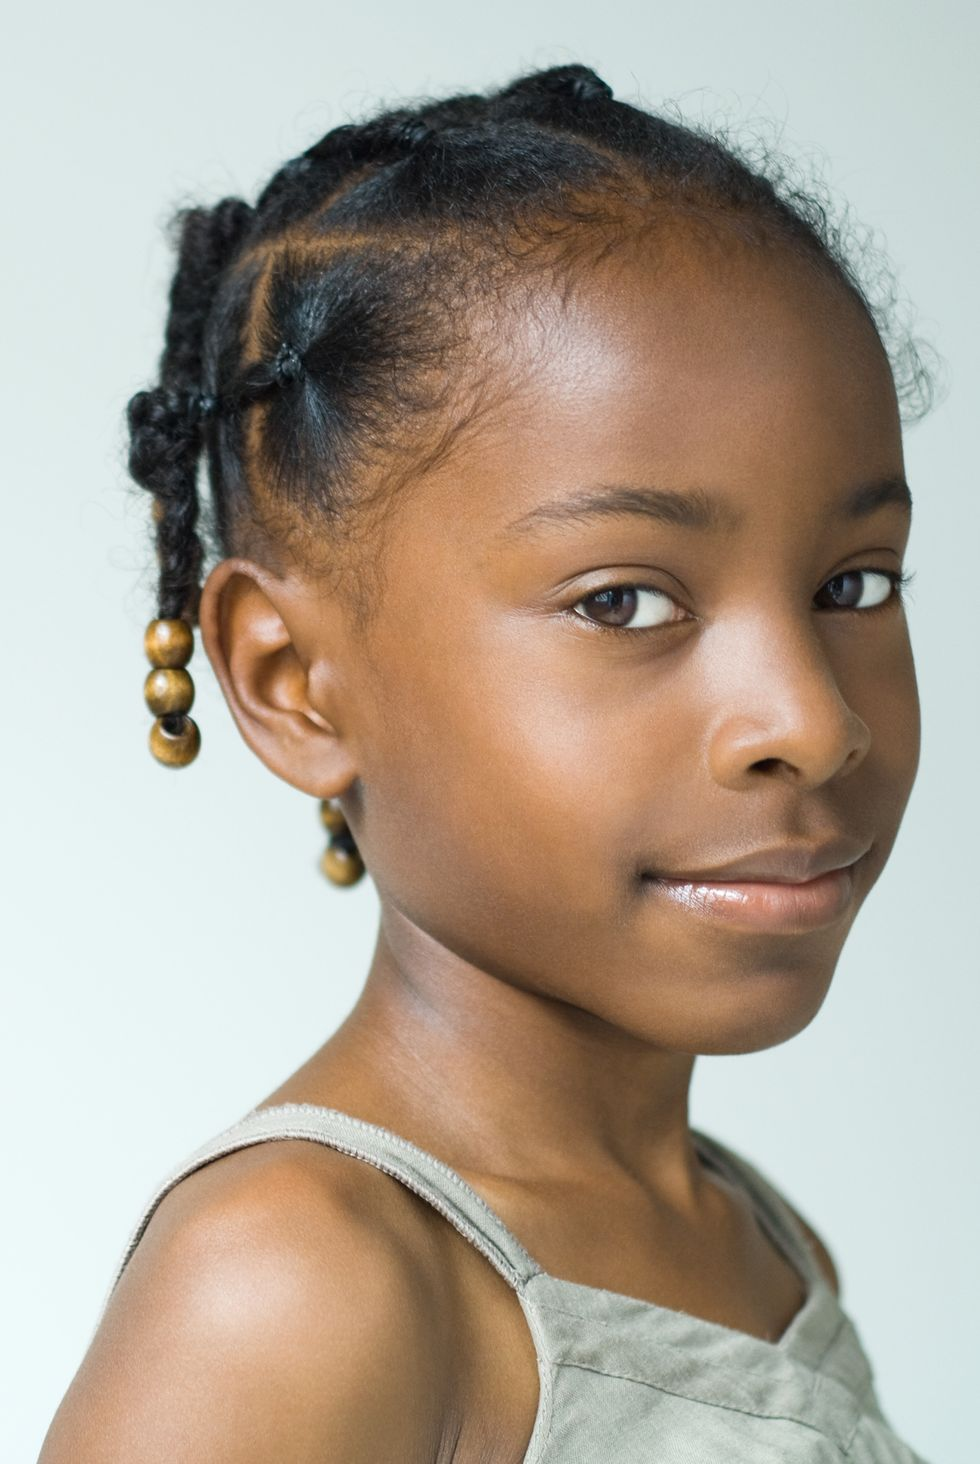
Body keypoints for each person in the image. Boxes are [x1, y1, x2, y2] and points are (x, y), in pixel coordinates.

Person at [39, 61, 934, 1463]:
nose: (812, 722)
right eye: (623, 600)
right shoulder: (301, 1281)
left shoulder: (760, 1243)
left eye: (856, 586)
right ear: (294, 678)